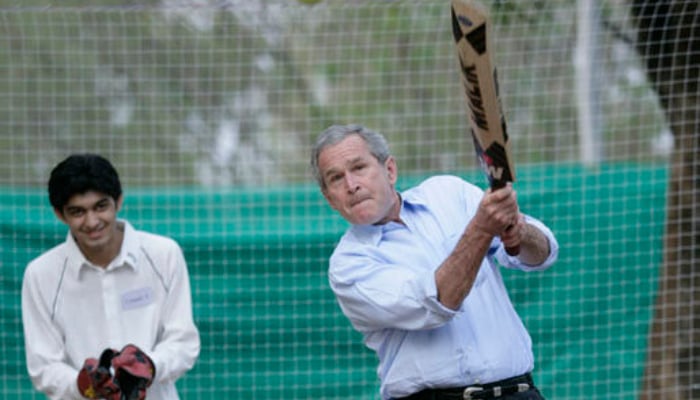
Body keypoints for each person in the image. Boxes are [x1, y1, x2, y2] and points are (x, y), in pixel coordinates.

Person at [310, 124, 559, 400]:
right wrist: (482, 228)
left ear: (389, 170)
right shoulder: (348, 266)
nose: (351, 185)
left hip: (520, 393)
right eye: (335, 178)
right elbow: (437, 301)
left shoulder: (448, 192)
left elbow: (543, 255)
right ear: (330, 199)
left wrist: (520, 231)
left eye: (358, 167)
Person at [21, 153, 200, 400]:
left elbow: (183, 343)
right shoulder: (40, 275)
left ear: (119, 201)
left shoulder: (163, 255)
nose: (92, 221)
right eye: (77, 212)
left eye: (100, 206)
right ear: (60, 215)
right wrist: (81, 384)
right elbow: (43, 367)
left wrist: (150, 365)